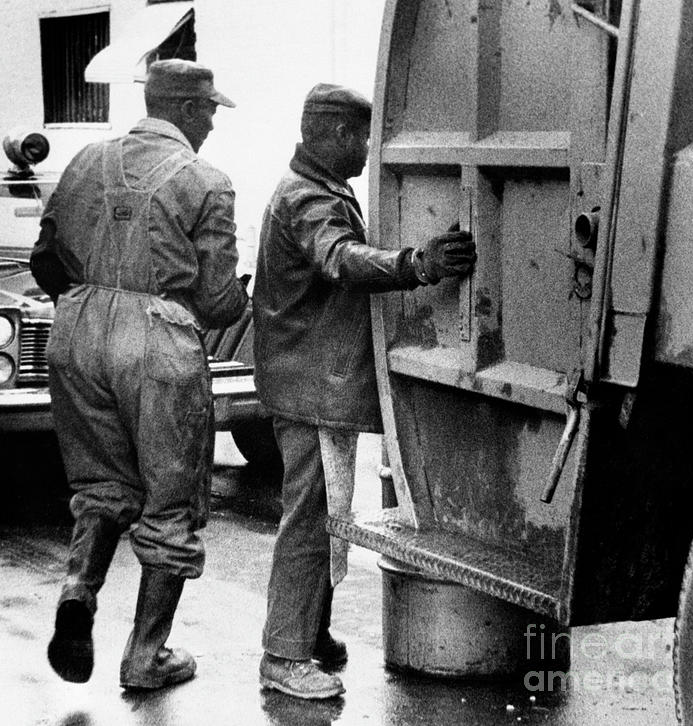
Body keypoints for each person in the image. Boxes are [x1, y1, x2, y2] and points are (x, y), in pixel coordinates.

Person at [253, 83, 476, 699]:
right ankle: (284, 655)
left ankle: (310, 634)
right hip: (310, 387)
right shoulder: (308, 200)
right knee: (311, 517)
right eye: (363, 137)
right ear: (335, 135)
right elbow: (342, 260)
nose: (369, 149)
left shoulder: (318, 188)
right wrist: (417, 265)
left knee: (327, 511)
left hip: (310, 382)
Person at [31, 58, 248, 691]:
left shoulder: (83, 162)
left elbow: (45, 257)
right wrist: (235, 298)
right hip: (156, 341)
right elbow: (213, 301)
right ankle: (145, 654)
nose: (211, 121)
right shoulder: (207, 180)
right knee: (173, 501)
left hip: (75, 330)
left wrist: (91, 301)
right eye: (209, 109)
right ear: (184, 109)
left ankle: (79, 590)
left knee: (101, 485)